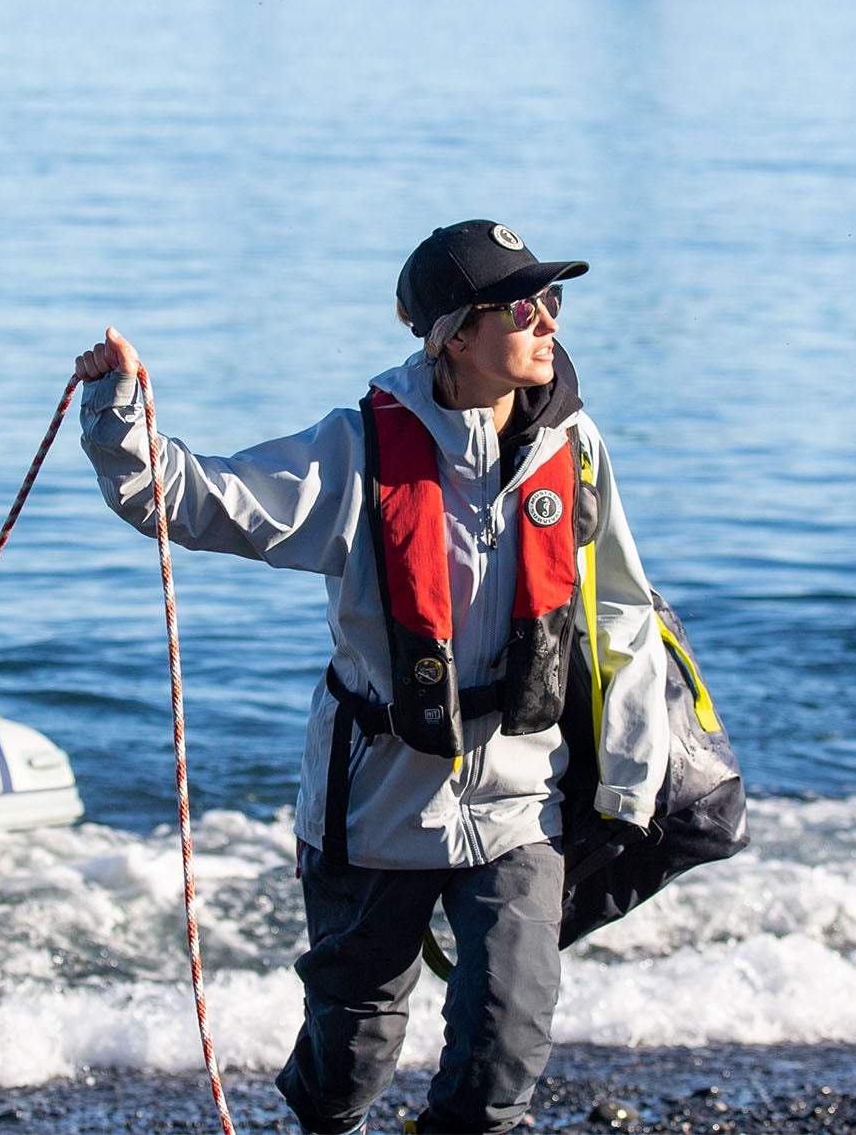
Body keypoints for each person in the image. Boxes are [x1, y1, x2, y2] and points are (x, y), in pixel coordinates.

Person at [74, 220, 671, 1135]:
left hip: (521, 796)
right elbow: (184, 498)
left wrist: (629, 779)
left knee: (504, 1046)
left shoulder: (574, 446)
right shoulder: (354, 451)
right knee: (350, 1057)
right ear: (453, 337)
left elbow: (623, 612)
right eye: (522, 305)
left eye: (553, 300)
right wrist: (119, 410)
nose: (547, 320)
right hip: (376, 803)